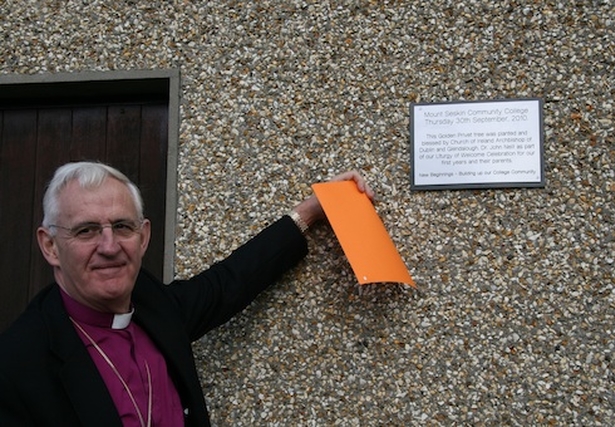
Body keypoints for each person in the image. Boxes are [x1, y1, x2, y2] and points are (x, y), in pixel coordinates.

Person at [0, 161, 374, 427]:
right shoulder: (17, 363)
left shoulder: (153, 304)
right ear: (50, 246)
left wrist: (309, 212)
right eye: (86, 231)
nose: (110, 246)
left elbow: (229, 283)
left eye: (122, 226)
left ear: (144, 237)